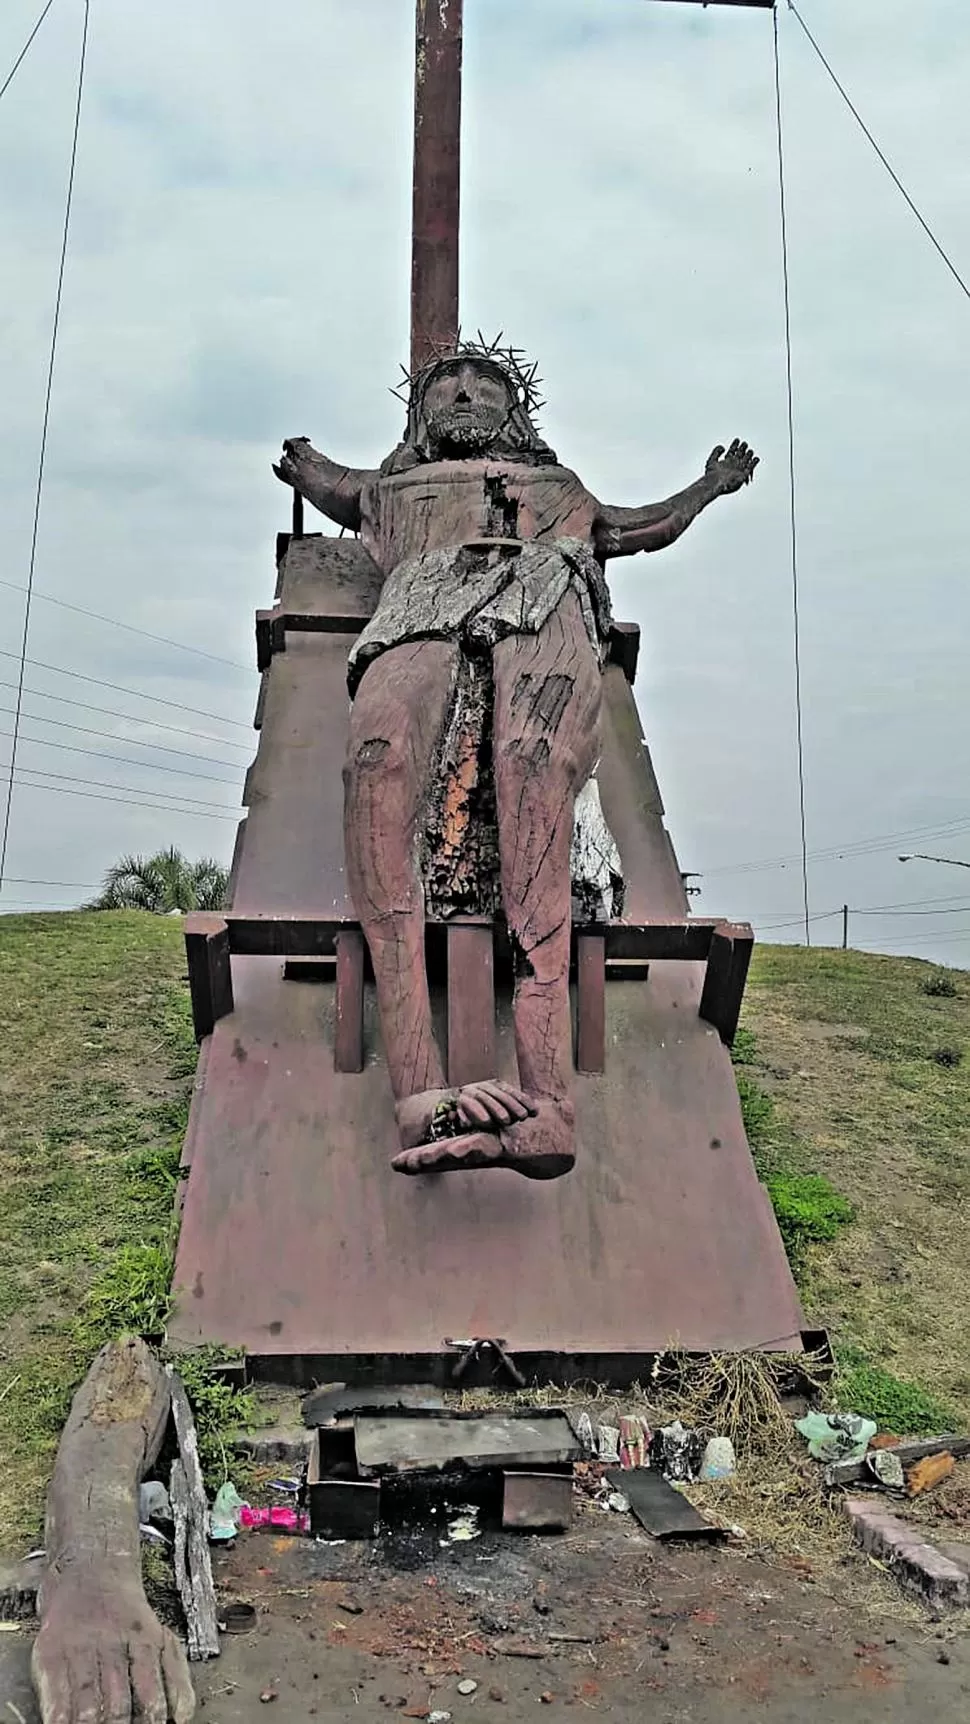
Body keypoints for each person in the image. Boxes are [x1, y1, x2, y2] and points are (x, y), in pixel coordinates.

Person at [276, 343, 757, 1179]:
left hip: (544, 594)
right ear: (419, 414)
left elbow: (637, 526)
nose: (463, 391)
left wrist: (708, 487)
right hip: (419, 605)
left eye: (483, 381)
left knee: (534, 764)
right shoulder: (387, 490)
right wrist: (305, 463)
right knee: (379, 759)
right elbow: (330, 482)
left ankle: (547, 1102)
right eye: (445, 385)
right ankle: (420, 1092)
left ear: (514, 406)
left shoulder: (559, 489)